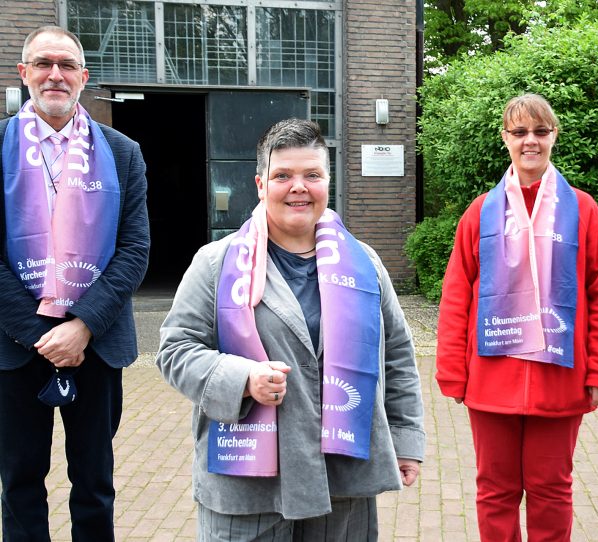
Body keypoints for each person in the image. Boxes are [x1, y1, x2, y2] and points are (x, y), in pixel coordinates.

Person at [156, 118, 424, 541]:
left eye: (312, 175)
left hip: (342, 477)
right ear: (261, 184)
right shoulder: (215, 263)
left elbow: (396, 353)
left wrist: (406, 438)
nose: (298, 187)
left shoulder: (364, 263)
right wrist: (241, 378)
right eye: (283, 175)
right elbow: (176, 350)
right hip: (248, 482)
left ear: (328, 182)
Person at [435, 93, 598, 541]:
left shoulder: (583, 209)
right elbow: (457, 294)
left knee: (551, 489)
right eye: (520, 132)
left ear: (554, 136)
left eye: (540, 131)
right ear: (505, 139)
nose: (530, 142)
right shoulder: (480, 211)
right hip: (490, 378)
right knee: (495, 489)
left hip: (559, 378)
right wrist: (452, 371)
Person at [0, 25, 150, 541]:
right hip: (14, 344)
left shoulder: (123, 151)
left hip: (97, 343)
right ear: (24, 73)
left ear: (84, 78)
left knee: (94, 481)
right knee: (19, 482)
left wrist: (82, 326)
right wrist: (37, 332)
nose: (55, 75)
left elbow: (135, 249)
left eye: (66, 65)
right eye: (43, 63)